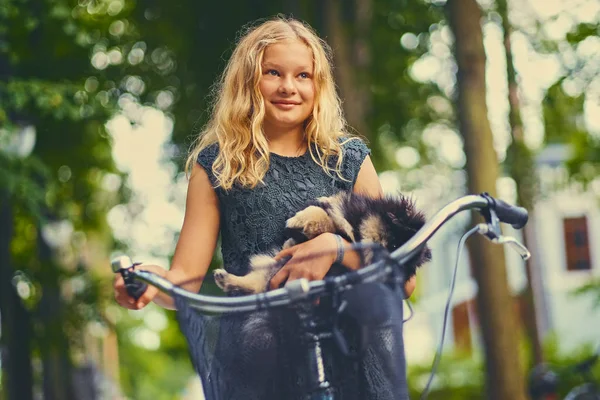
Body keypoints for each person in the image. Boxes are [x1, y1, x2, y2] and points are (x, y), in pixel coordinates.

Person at [113, 16, 415, 399]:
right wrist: (148, 279)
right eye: (273, 72)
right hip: (260, 369)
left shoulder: (349, 160)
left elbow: (403, 279)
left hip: (351, 367)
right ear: (248, 81)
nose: (288, 87)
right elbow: (185, 282)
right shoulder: (217, 167)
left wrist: (335, 249)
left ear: (318, 85)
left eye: (303, 75)